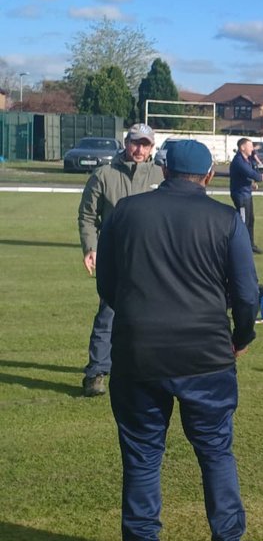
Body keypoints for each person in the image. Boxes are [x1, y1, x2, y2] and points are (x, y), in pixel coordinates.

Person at [96, 139, 263, 541]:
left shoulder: (125, 213)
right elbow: (247, 295)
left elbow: (109, 286)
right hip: (206, 356)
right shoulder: (226, 219)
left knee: (142, 455)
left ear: (163, 168)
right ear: (209, 177)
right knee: (214, 451)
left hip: (138, 355)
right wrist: (241, 336)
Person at [77, 123, 164, 398]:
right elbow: (88, 216)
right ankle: (96, 372)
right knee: (109, 314)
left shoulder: (162, 175)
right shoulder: (104, 174)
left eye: (145, 144)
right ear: (126, 142)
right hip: (115, 256)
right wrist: (90, 248)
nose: (139, 149)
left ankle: (146, 369)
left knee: (153, 315)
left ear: (152, 147)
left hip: (151, 257)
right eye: (135, 143)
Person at [229, 138, 263, 254]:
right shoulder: (239, 161)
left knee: (250, 220)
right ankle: (241, 247)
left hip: (247, 194)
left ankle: (250, 245)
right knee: (243, 222)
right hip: (240, 195)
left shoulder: (247, 160)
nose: (252, 148)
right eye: (250, 146)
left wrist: (251, 184)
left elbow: (247, 176)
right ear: (242, 147)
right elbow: (257, 177)